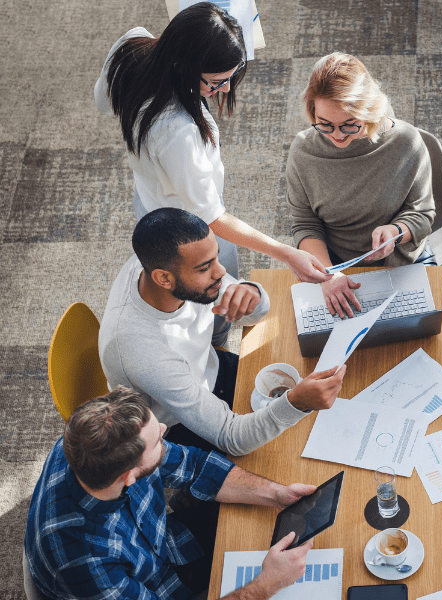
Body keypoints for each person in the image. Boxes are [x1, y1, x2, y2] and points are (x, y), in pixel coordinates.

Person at [95, 2, 330, 345]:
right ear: (183, 64)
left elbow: (102, 100)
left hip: (148, 195)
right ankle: (215, 345)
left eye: (231, 76)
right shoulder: (179, 133)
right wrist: (288, 253)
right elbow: (212, 217)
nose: (224, 88)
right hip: (189, 224)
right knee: (212, 292)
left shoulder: (134, 44)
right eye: (216, 81)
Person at [25, 388, 319, 600]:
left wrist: (275, 494)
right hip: (146, 587)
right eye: (157, 441)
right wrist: (267, 585)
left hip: (165, 545)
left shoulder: (90, 445)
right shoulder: (86, 560)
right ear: (128, 476)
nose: (165, 428)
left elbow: (194, 466)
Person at [99, 208, 345, 456]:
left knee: (316, 401)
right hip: (175, 423)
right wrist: (296, 403)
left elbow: (254, 314)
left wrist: (253, 293)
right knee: (291, 452)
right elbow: (232, 437)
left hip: (210, 369)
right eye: (205, 267)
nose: (220, 272)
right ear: (163, 278)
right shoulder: (141, 349)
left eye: (216, 257)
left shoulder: (164, 267)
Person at [286, 52, 436, 318]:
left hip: (402, 259)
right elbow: (305, 224)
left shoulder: (406, 143)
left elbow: (422, 214)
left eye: (349, 125)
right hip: (333, 264)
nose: (337, 136)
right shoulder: (303, 153)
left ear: (368, 112)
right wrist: (328, 274)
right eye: (325, 125)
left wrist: (396, 232)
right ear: (312, 112)